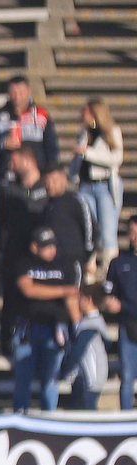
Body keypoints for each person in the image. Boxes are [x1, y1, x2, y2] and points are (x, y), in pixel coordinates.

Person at [13, 228, 81, 412]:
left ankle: (49, 417)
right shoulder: (24, 262)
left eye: (53, 245)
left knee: (51, 379)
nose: (51, 250)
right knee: (23, 379)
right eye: (46, 247)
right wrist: (62, 290)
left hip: (56, 329)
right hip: (27, 329)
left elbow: (72, 299)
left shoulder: (65, 265)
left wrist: (78, 327)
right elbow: (28, 289)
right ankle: (20, 415)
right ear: (34, 247)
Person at [0, 149, 49, 349]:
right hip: (15, 254)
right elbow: (0, 223)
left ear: (28, 159)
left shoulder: (45, 187)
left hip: (42, 255)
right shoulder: (8, 190)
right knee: (10, 299)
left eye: (14, 159)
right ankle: (6, 343)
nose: (10, 164)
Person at [75, 99, 125, 276]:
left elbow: (116, 158)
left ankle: (110, 273)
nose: (83, 116)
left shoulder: (112, 131)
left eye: (86, 112)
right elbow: (78, 159)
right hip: (85, 186)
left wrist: (88, 153)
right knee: (89, 229)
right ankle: (89, 270)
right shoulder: (83, 132)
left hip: (105, 186)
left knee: (107, 231)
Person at [0, 76, 58, 176]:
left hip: (36, 175)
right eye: (13, 93)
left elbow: (51, 145)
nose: (17, 97)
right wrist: (2, 142)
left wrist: (51, 170)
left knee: (29, 192)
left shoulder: (41, 114)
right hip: (7, 174)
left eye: (21, 92)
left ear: (28, 91)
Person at [42, 167, 96, 286]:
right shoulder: (46, 206)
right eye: (47, 181)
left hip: (73, 260)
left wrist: (86, 255)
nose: (50, 185)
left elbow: (90, 229)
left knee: (72, 296)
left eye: (54, 181)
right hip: (51, 263)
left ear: (64, 180)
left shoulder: (76, 201)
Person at [60, 285, 109, 410]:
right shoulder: (91, 322)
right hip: (84, 376)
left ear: (88, 300)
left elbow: (78, 350)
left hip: (92, 376)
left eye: (80, 298)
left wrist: (65, 371)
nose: (78, 301)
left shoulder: (91, 325)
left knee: (88, 408)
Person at [106, 216, 137, 409]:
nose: (134, 237)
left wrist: (122, 306)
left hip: (127, 316)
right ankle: (126, 418)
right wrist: (108, 302)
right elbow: (108, 291)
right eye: (131, 232)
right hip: (128, 327)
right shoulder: (119, 262)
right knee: (127, 376)